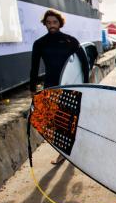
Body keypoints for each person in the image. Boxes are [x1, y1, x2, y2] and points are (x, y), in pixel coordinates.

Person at [29, 9, 89, 164]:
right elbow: (34, 68)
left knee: (70, 120)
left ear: (60, 23)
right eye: (48, 23)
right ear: (45, 24)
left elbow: (84, 63)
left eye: (54, 22)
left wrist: (86, 85)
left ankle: (69, 151)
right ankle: (63, 152)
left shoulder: (70, 41)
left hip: (70, 85)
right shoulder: (40, 43)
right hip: (51, 86)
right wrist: (32, 89)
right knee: (54, 123)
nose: (51, 25)